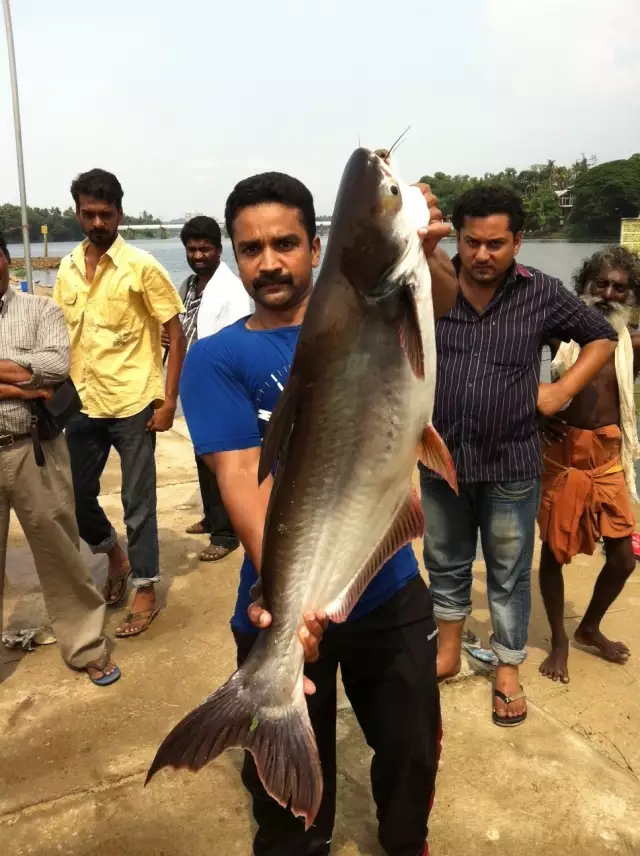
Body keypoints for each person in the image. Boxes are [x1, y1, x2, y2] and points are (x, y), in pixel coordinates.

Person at [179, 171, 457, 856]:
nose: (267, 262)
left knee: (411, 751)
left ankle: (405, 844)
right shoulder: (216, 358)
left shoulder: (380, 307)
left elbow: (439, 299)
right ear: (234, 256)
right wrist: (292, 605)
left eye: (284, 243)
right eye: (250, 249)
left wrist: (429, 250)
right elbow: (242, 480)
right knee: (287, 805)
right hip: (281, 599)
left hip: (388, 589)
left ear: (315, 246)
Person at [419, 186, 618, 727]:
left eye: (496, 244)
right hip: (441, 457)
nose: (483, 255)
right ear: (457, 237)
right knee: (446, 561)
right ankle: (447, 650)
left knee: (507, 571)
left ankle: (507, 668)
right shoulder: (428, 284)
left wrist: (560, 392)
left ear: (518, 241)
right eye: (472, 242)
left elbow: (602, 337)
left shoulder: (542, 292)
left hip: (512, 460)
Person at [53, 169, 186, 639]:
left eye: (104, 214)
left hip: (132, 405)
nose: (96, 223)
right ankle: (114, 554)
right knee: (72, 498)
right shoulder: (67, 268)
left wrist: (168, 400)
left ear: (119, 214)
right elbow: (63, 337)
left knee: (138, 502)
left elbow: (175, 332)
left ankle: (146, 586)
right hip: (82, 405)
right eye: (88, 214)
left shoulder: (142, 267)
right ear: (77, 213)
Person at [0, 233, 119, 686]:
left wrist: (32, 375)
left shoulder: (40, 310)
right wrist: (19, 380)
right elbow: (36, 376)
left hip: (33, 448)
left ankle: (85, 645)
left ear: (6, 261)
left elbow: (54, 367)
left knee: (61, 554)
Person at [537, 246, 640, 684]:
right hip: (562, 452)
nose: (609, 293)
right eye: (601, 283)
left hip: (609, 454)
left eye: (620, 286)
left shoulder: (634, 340)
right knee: (554, 552)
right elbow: (512, 363)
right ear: (584, 287)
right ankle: (559, 639)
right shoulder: (561, 336)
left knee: (623, 559)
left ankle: (589, 626)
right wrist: (537, 414)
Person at [170, 215, 250, 562]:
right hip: (194, 380)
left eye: (205, 249)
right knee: (203, 455)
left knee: (221, 459)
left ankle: (226, 533)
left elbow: (234, 336)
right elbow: (182, 324)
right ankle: (213, 515)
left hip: (219, 382)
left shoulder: (230, 289)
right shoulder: (189, 285)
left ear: (219, 250)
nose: (198, 255)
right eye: (192, 249)